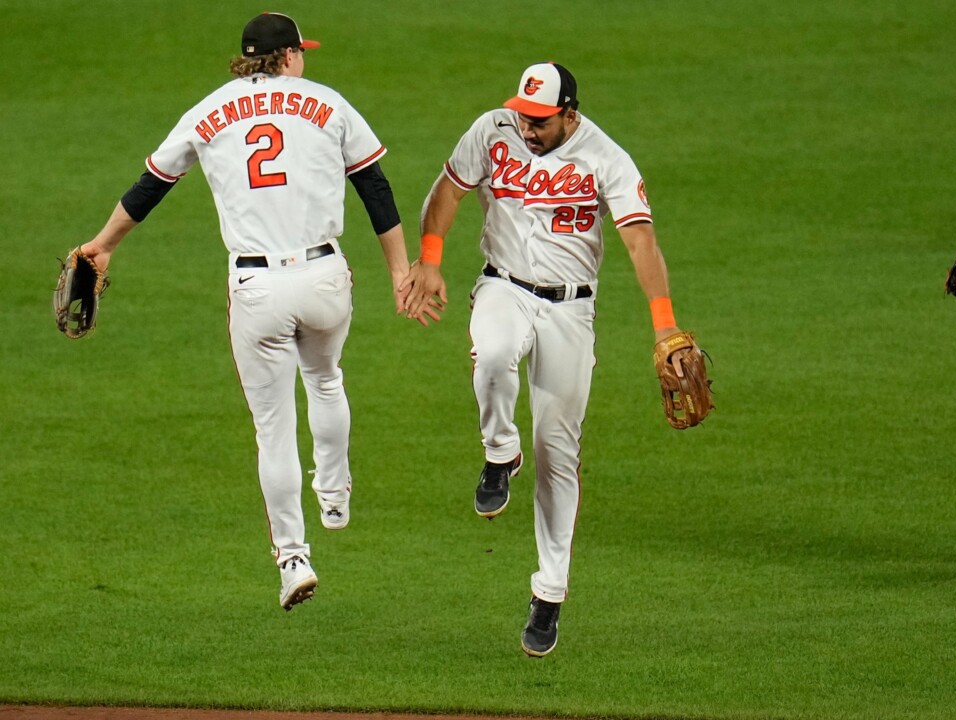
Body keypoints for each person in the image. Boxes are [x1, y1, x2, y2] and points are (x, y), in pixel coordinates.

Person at [76, 12, 424, 611]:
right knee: (325, 378)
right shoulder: (327, 103)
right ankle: (335, 492)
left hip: (257, 288)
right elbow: (376, 187)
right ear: (288, 56)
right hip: (324, 277)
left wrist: (103, 244)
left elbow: (151, 185)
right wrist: (400, 271)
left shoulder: (209, 110)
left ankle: (293, 559)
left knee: (272, 429)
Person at [403, 62, 689, 656]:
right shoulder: (493, 130)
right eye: (524, 116)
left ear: (570, 114)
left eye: (540, 120)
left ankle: (549, 595)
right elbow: (447, 191)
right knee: (493, 354)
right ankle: (498, 451)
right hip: (502, 286)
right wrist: (429, 258)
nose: (527, 128)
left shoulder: (606, 157)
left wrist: (665, 325)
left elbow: (641, 242)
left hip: (570, 312)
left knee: (558, 454)